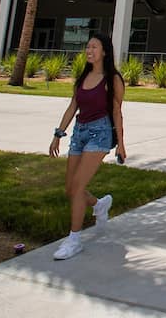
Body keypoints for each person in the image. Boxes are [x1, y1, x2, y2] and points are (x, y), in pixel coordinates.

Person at [48, 33, 126, 261]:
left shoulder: (112, 79)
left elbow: (117, 113)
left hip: (100, 134)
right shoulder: (84, 76)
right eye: (87, 47)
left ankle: (73, 240)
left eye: (94, 47)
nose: (89, 50)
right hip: (79, 132)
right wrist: (58, 134)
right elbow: (73, 106)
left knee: (78, 185)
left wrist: (121, 144)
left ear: (104, 52)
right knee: (70, 189)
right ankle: (99, 205)